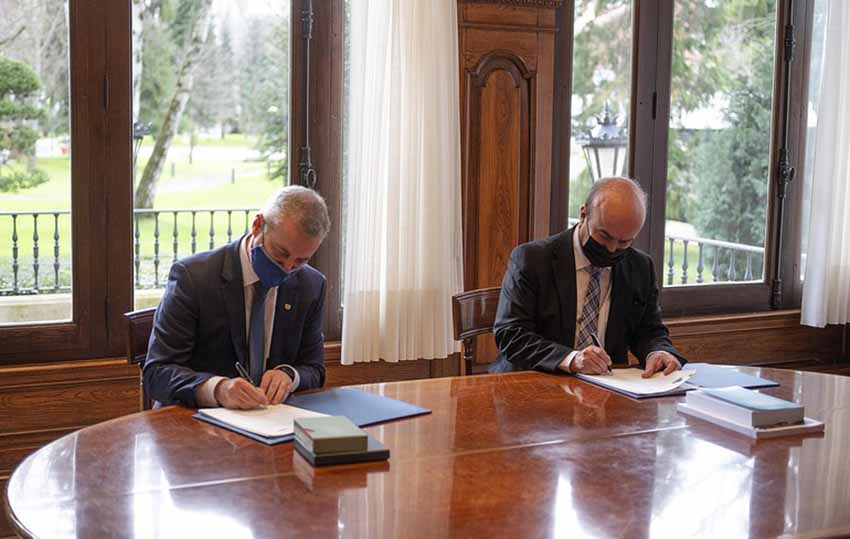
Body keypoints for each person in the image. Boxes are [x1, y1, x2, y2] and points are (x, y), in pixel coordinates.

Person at [143, 186, 330, 409]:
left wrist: (289, 375)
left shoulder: (311, 285)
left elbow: (314, 368)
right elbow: (158, 372)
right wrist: (217, 389)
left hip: (270, 420)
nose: (287, 269)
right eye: (280, 254)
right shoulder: (194, 277)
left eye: (300, 261)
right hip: (195, 420)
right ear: (258, 225)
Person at [489, 176, 685, 376]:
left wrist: (658, 352)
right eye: (604, 236)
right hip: (533, 382)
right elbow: (511, 334)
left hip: (607, 387)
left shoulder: (641, 267)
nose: (611, 249)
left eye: (624, 242)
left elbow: (649, 331)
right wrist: (572, 359)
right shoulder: (533, 259)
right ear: (583, 214)